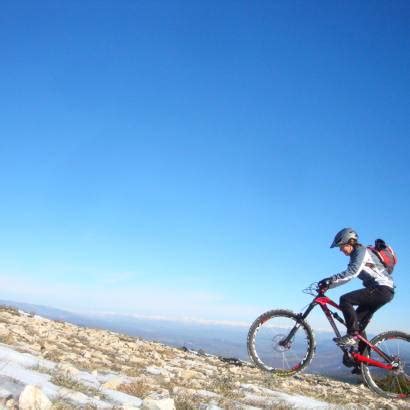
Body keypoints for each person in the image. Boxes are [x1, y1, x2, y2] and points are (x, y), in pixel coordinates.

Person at [318, 228, 395, 350]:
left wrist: (329, 280)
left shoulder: (361, 251)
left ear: (349, 242)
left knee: (345, 300)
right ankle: (362, 362)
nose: (340, 250)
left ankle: (352, 336)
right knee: (357, 325)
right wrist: (329, 285)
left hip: (382, 289)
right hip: (383, 291)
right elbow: (347, 277)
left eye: (341, 246)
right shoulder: (356, 255)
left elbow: (351, 273)